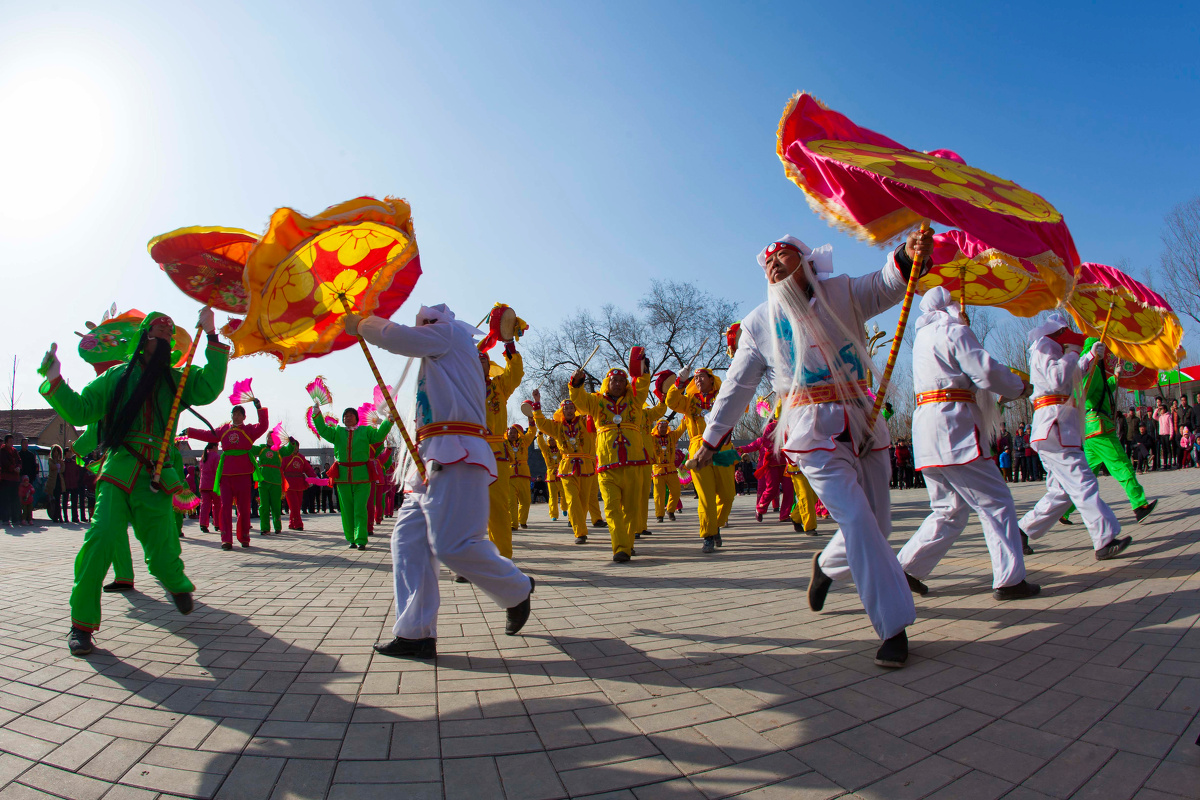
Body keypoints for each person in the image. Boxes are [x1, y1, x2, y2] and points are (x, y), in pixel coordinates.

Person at [692, 230, 932, 667]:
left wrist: (905, 256)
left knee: (877, 525)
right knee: (858, 518)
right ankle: (893, 626)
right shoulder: (759, 322)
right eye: (767, 262)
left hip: (863, 419)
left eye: (782, 255)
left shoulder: (842, 291)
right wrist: (712, 437)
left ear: (805, 261)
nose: (773, 263)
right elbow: (738, 384)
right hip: (810, 431)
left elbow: (884, 285)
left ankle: (826, 566)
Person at [348, 304, 535, 660]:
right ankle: (415, 633)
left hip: (458, 450)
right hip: (430, 456)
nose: (426, 327)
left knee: (455, 545)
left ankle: (517, 590)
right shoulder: (438, 353)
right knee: (407, 543)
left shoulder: (450, 336)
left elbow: (397, 337)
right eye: (424, 323)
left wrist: (362, 323)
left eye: (429, 323)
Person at [38, 309, 226, 655]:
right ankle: (81, 624)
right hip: (119, 470)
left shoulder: (176, 380)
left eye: (168, 340)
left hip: (156, 474)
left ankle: (175, 583)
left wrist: (212, 337)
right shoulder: (115, 377)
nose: (164, 343)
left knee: (163, 543)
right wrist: (55, 382)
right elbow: (81, 412)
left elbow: (211, 387)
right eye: (157, 337)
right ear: (143, 339)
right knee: (101, 540)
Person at [894, 287, 1038, 600]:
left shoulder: (922, 339)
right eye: (960, 304)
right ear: (951, 307)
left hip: (927, 430)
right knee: (995, 502)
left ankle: (906, 568)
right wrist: (1019, 386)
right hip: (954, 427)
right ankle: (1009, 579)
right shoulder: (954, 331)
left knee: (949, 510)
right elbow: (985, 371)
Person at [1018, 314, 1130, 560]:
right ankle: (1104, 538)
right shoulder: (1045, 347)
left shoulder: (1053, 349)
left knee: (1062, 493)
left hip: (1056, 427)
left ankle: (1022, 531)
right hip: (1054, 427)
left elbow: (1070, 377)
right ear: (1058, 333)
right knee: (1083, 482)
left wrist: (1089, 356)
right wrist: (1075, 353)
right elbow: (1057, 379)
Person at [1059, 337, 1157, 525]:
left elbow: (1100, 390)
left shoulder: (1093, 371)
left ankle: (1064, 510)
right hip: (1100, 428)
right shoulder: (1093, 369)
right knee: (1122, 465)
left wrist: (1115, 378)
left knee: (1085, 476)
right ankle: (1139, 504)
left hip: (1090, 430)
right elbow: (1089, 390)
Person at [567, 365, 652, 562]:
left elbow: (642, 386)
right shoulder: (596, 401)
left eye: (622, 381)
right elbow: (578, 401)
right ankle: (621, 548)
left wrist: (643, 369)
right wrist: (576, 383)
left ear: (626, 384)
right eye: (614, 381)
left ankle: (628, 544)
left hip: (634, 462)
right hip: (607, 464)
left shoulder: (635, 399)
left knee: (631, 510)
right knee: (612, 509)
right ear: (608, 382)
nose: (618, 384)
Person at [667, 368, 736, 553]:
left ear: (711, 379)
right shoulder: (689, 401)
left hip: (723, 448)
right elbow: (671, 401)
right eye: (695, 378)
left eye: (701, 377)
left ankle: (716, 525)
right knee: (705, 497)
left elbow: (739, 404)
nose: (697, 380)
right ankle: (708, 535)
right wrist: (679, 382)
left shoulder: (724, 397)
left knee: (728, 495)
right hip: (698, 450)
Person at [184, 400, 269, 549]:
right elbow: (207, 435)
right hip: (226, 475)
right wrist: (190, 432)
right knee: (225, 508)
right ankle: (226, 539)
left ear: (244, 416)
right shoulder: (224, 429)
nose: (235, 416)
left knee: (243, 508)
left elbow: (263, 426)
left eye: (238, 414)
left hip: (243, 474)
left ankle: (244, 538)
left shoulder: (249, 430)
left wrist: (259, 409)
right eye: (233, 414)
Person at [312, 406, 393, 549]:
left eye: (350, 415)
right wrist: (317, 415)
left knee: (360, 508)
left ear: (356, 418)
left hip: (362, 476)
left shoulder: (365, 431)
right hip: (342, 476)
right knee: (346, 509)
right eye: (345, 416)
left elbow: (379, 436)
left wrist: (388, 421)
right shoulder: (337, 432)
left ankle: (361, 538)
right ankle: (351, 538)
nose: (347, 418)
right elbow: (323, 430)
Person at [528, 392, 596, 543]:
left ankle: (578, 522)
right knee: (572, 499)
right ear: (562, 412)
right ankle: (580, 532)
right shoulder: (557, 427)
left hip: (586, 466)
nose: (570, 411)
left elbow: (596, 416)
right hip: (566, 468)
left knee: (584, 501)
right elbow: (542, 424)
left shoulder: (585, 421)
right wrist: (537, 404)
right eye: (567, 409)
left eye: (572, 408)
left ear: (576, 409)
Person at [481, 340, 524, 558]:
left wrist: (509, 347)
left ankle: (502, 558)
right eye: (473, 361)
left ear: (490, 366)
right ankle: (466, 560)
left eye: (483, 361)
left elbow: (515, 374)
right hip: (466, 455)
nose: (479, 365)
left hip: (496, 454)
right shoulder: (458, 388)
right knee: (466, 510)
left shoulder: (499, 386)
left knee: (498, 508)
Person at [738, 418, 794, 524]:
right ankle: (760, 508)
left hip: (787, 462)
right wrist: (777, 447)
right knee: (771, 489)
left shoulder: (791, 423)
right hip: (771, 464)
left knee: (789, 489)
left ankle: (784, 515)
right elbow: (761, 442)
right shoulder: (771, 426)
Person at [649, 418, 685, 523]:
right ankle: (659, 515)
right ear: (657, 428)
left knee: (676, 491)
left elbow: (681, 429)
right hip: (658, 470)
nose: (664, 429)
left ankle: (671, 510)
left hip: (671, 469)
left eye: (665, 427)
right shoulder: (651, 438)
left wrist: (685, 417)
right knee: (659, 494)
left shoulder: (672, 437)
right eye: (661, 427)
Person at [250, 439, 284, 535]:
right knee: (264, 506)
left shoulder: (279, 450)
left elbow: (288, 450)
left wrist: (292, 444)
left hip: (276, 480)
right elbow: (250, 448)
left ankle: (277, 526)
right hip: (263, 480)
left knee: (276, 506)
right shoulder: (261, 448)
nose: (270, 440)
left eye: (272, 438)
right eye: (268, 437)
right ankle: (265, 528)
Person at [506, 423, 537, 529]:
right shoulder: (503, 443)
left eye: (514, 433)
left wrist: (531, 421)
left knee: (526, 500)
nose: (512, 435)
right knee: (511, 502)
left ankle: (522, 521)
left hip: (523, 474)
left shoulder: (524, 442)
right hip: (510, 476)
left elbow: (532, 432)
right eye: (510, 433)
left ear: (519, 434)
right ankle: (513, 524)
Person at [281, 438, 315, 530]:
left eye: (296, 447)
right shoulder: (285, 457)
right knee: (294, 505)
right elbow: (281, 469)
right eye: (293, 447)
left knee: (297, 504)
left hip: (299, 484)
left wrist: (315, 477)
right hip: (289, 484)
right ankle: (298, 524)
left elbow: (308, 469)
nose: (295, 448)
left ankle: (292, 523)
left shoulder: (301, 457)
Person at [537, 430, 563, 522]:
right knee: (552, 496)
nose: (552, 442)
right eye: (550, 440)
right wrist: (540, 435)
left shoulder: (561, 449)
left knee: (564, 493)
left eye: (553, 440)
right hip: (551, 475)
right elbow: (541, 444)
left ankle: (564, 507)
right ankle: (553, 514)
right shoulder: (546, 450)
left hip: (561, 473)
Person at [198, 442, 220, 533]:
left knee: (205, 505)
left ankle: (203, 524)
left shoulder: (204, 456)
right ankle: (217, 524)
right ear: (214, 446)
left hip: (204, 484)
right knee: (217, 505)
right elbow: (217, 471)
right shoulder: (216, 456)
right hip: (213, 484)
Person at [1, 435, 20, 527]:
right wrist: (13, 468)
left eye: (12, 440)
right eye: (10, 441)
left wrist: (19, 467)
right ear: (6, 442)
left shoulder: (15, 451)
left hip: (15, 478)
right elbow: (5, 462)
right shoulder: (2, 451)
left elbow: (19, 461)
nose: (12, 442)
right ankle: (5, 519)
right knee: (6, 500)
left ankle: (15, 518)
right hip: (6, 478)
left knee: (15, 499)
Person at [46, 445, 66, 522]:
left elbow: (63, 469)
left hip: (59, 482)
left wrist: (59, 466)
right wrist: (57, 466)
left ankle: (58, 516)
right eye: (54, 451)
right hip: (52, 482)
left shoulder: (61, 461)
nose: (56, 453)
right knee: (54, 500)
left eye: (57, 451)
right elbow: (52, 467)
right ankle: (56, 516)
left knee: (58, 500)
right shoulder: (50, 460)